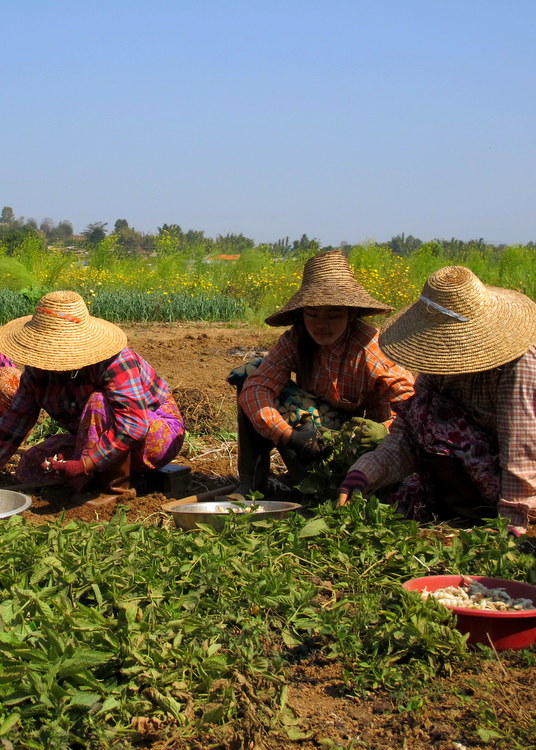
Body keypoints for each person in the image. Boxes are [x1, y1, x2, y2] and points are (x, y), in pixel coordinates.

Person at [338, 265, 536, 537]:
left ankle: (489, 512)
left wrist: (511, 522)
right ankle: (469, 507)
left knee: (429, 414)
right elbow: (406, 435)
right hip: (481, 471)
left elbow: (521, 447)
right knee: (405, 500)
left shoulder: (519, 364)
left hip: (526, 484)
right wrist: (363, 473)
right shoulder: (438, 368)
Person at [228, 249, 415, 499]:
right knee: (250, 373)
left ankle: (324, 488)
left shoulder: (370, 348)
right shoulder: (296, 339)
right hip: (311, 441)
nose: (321, 324)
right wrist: (289, 436)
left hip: (359, 448)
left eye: (333, 315)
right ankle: (252, 484)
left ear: (350, 313)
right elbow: (257, 388)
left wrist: (384, 429)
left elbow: (413, 408)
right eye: (312, 314)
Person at [0, 290, 185, 507]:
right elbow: (13, 426)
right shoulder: (37, 373)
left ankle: (113, 488)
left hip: (152, 437)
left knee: (98, 401)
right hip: (95, 436)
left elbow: (133, 424)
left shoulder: (116, 362)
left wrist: (86, 464)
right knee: (33, 464)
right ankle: (97, 473)